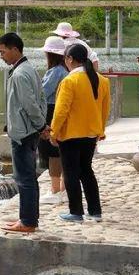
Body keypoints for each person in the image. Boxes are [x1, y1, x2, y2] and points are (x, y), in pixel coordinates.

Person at [50, 43, 109, 222]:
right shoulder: (102, 80)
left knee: (71, 173)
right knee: (86, 172)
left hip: (71, 135)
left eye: (65, 59)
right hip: (91, 134)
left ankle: (76, 212)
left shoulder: (69, 81)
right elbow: (105, 109)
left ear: (69, 59)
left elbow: (61, 111)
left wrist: (54, 132)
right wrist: (101, 130)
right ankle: (95, 211)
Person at [0, 32, 47, 234]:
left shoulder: (19, 74)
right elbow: (41, 100)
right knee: (28, 178)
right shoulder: (29, 70)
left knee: (24, 179)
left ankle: (27, 222)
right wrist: (41, 125)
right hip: (29, 131)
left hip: (24, 134)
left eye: (3, 51)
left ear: (15, 49)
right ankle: (28, 219)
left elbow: (30, 105)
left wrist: (41, 126)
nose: (1, 56)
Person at [38, 36, 70, 204]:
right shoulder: (64, 69)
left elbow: (43, 92)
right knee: (60, 152)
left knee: (53, 152)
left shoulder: (56, 71)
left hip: (51, 111)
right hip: (59, 111)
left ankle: (55, 190)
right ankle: (63, 190)